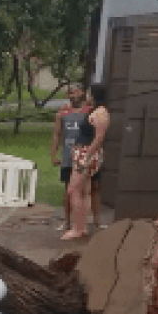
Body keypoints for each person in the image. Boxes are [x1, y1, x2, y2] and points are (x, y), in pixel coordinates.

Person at [62, 83, 109, 240]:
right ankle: (82, 227)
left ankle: (77, 229)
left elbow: (99, 137)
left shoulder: (101, 113)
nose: (87, 96)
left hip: (87, 154)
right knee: (83, 191)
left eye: (89, 93)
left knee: (73, 190)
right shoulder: (96, 111)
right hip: (83, 153)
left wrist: (86, 155)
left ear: (94, 95)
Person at [49, 85, 92, 231]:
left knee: (85, 190)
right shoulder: (62, 113)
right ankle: (67, 221)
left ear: (83, 93)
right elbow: (56, 134)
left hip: (84, 156)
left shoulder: (89, 111)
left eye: (78, 91)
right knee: (68, 189)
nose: (75, 95)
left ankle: (81, 223)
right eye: (72, 92)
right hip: (68, 156)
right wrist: (54, 154)